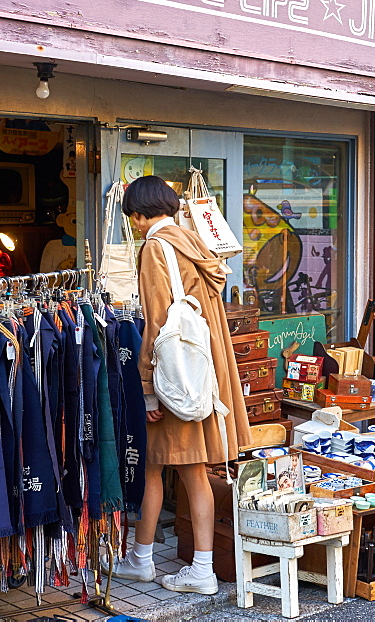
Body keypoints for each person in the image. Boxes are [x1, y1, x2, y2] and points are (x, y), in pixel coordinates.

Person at [108, 176, 251, 594]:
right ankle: (141, 557)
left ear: (139, 213)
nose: (133, 225)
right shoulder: (193, 241)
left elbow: (155, 322)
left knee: (190, 472)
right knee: (156, 464)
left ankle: (202, 570)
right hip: (202, 370)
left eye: (132, 217)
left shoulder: (155, 247)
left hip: (176, 379)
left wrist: (149, 387)